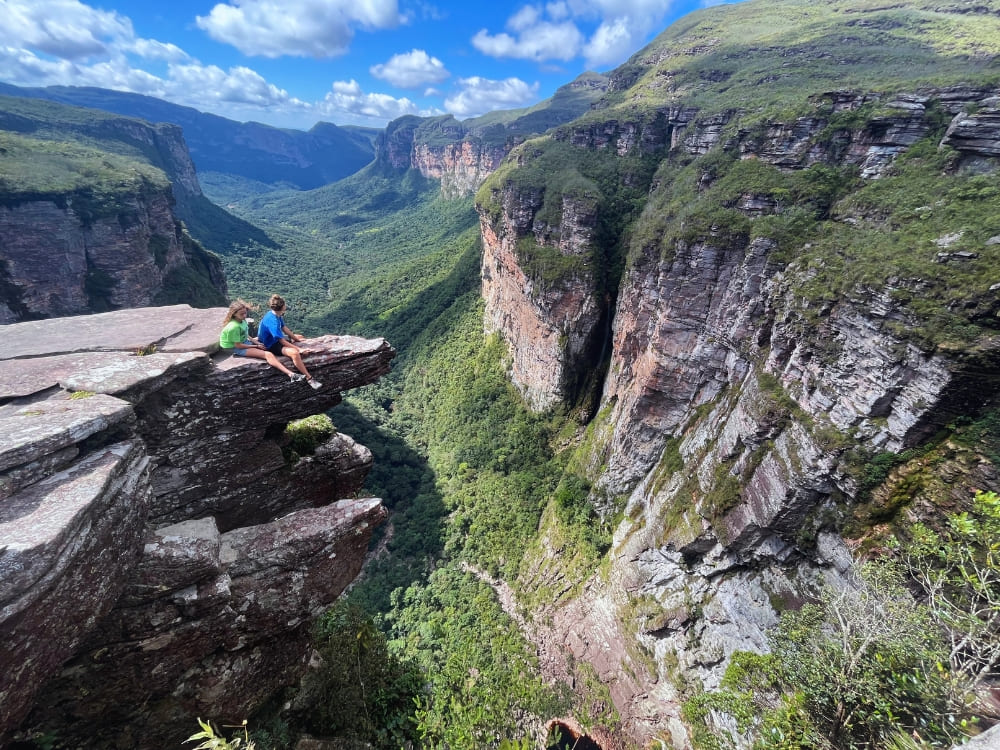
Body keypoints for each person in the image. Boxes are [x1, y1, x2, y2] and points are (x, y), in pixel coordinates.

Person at [219, 299, 305, 382]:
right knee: (268, 355)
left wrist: (256, 342)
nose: (245, 316)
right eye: (242, 314)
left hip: (243, 341)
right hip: (234, 348)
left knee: (265, 345)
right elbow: (238, 345)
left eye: (245, 313)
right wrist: (256, 346)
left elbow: (244, 334)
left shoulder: (241, 320)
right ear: (234, 314)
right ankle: (291, 374)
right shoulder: (234, 327)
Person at [257, 294, 322, 389]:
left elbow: (284, 327)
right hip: (271, 344)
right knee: (294, 353)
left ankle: (297, 342)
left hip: (275, 339)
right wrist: (299, 349)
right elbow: (282, 341)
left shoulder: (275, 314)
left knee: (300, 336)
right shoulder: (273, 322)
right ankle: (309, 378)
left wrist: (296, 339)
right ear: (282, 307)